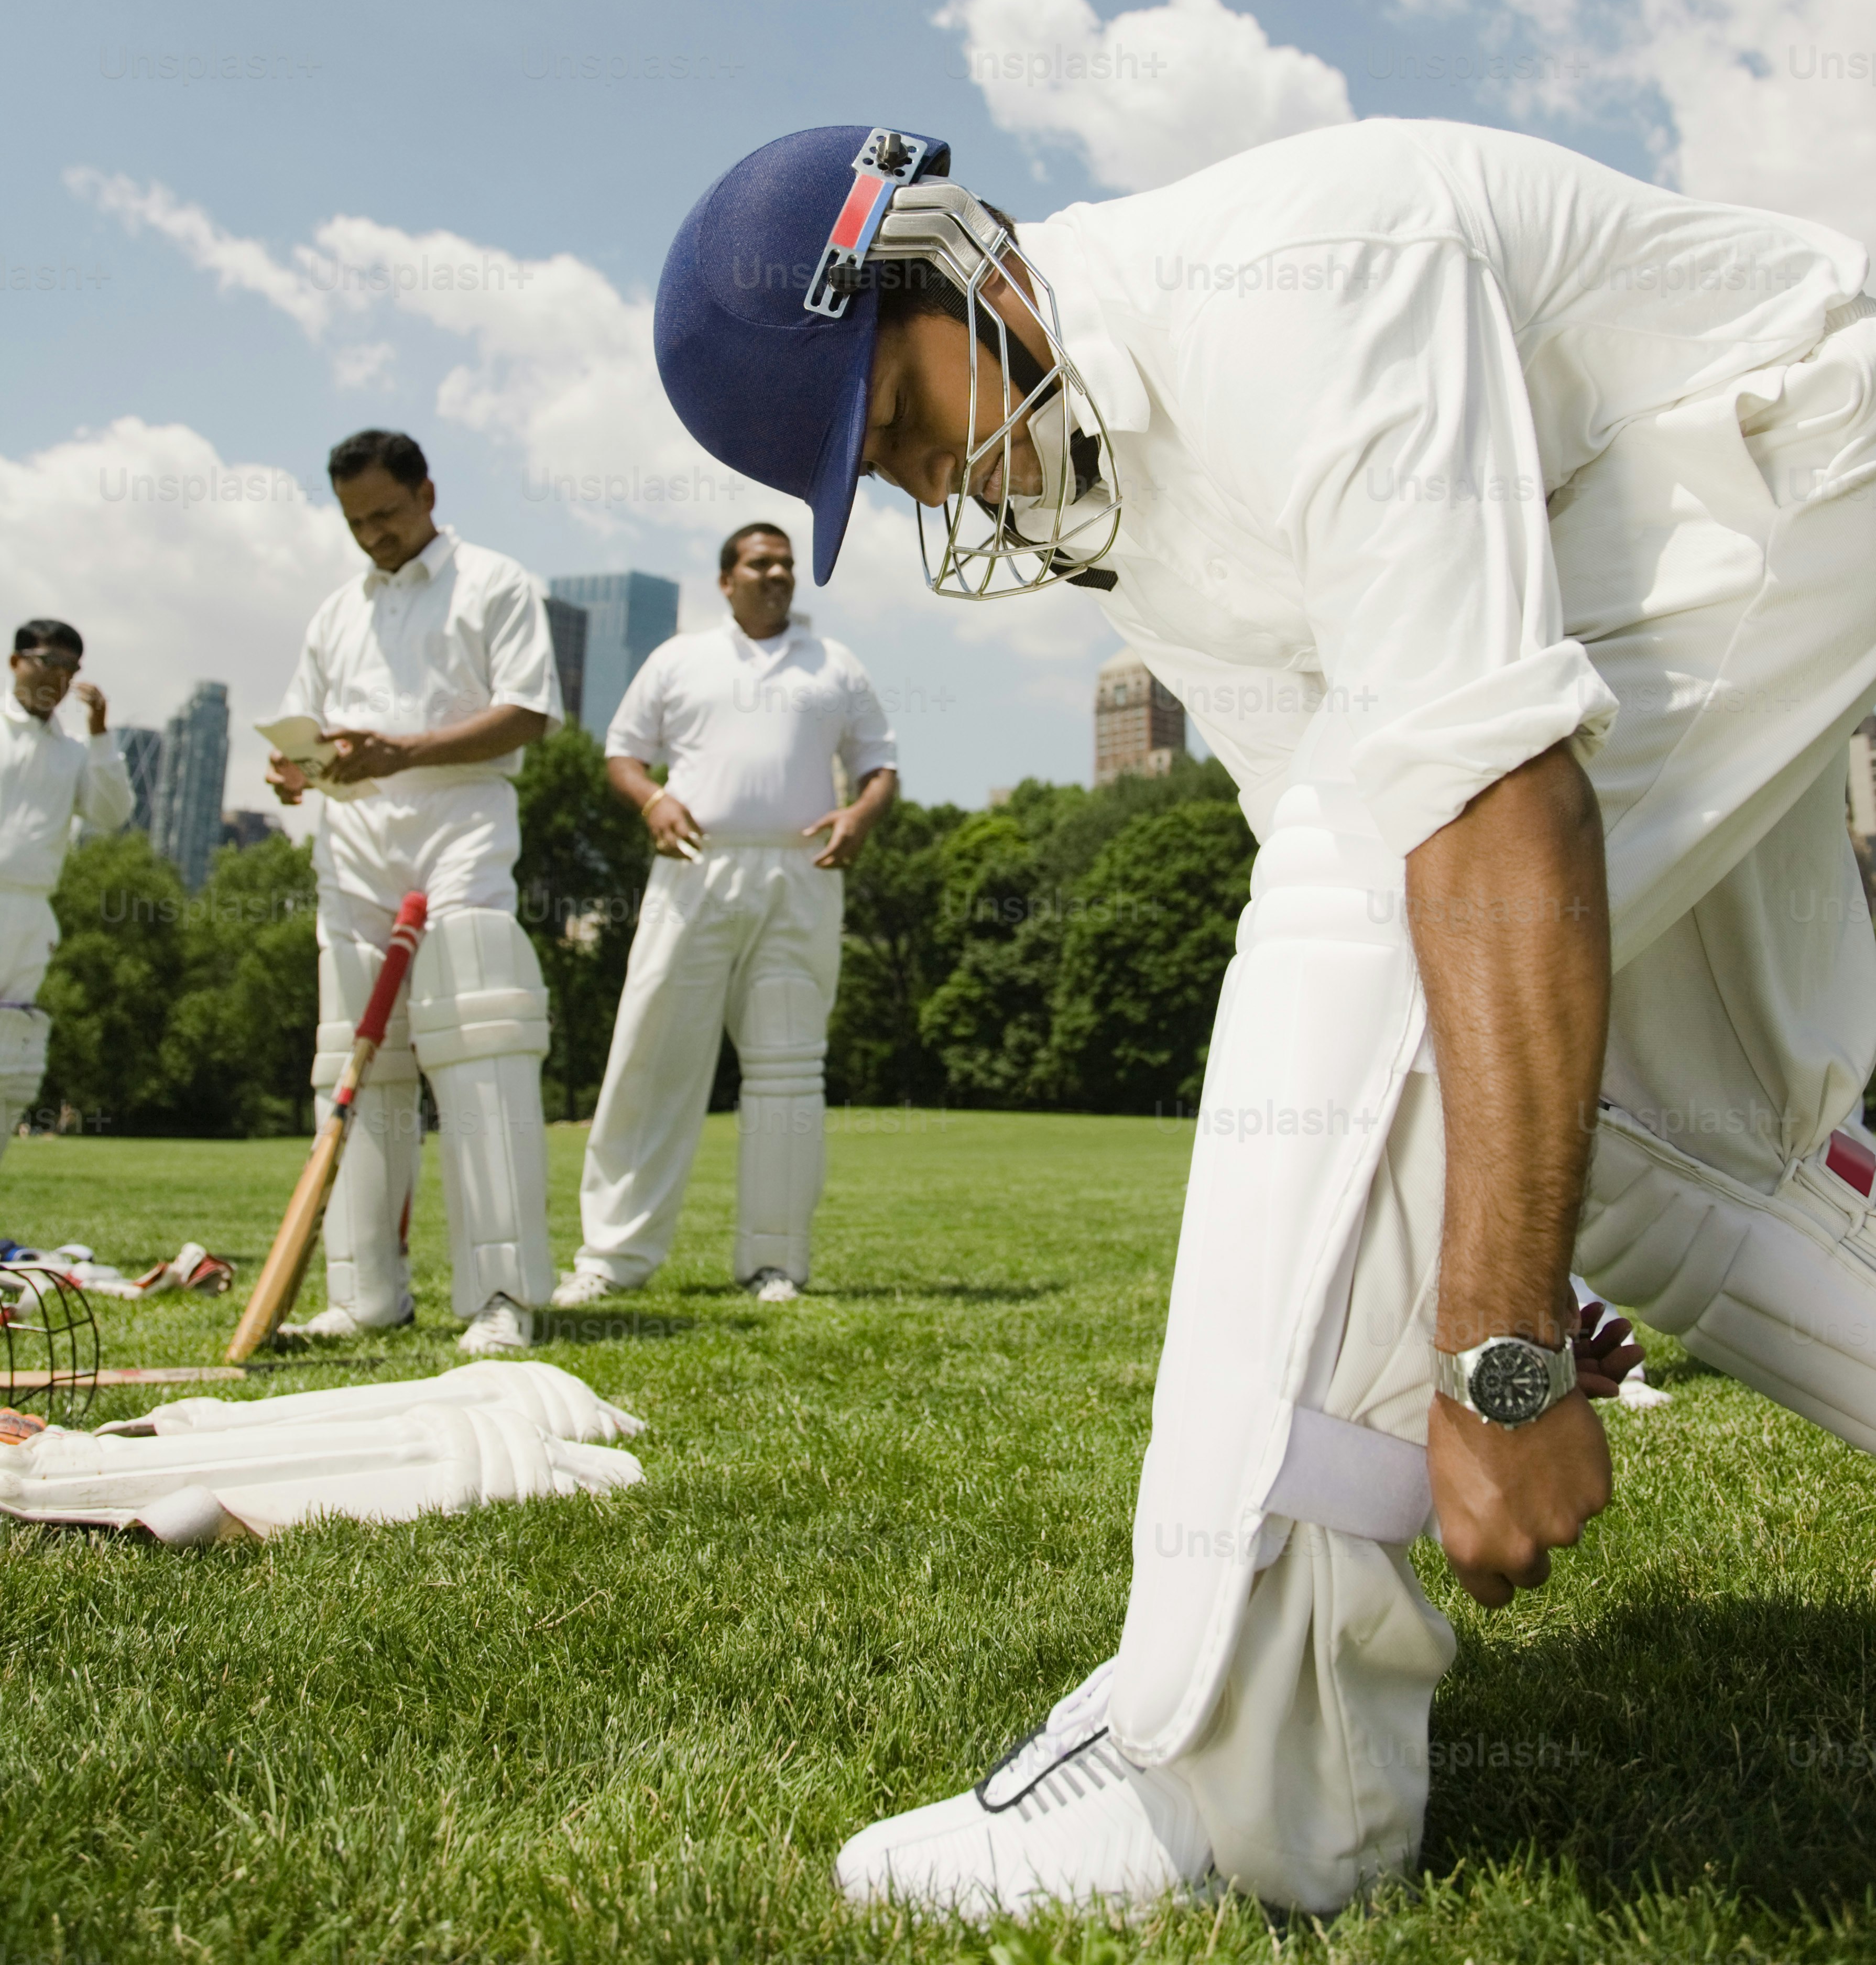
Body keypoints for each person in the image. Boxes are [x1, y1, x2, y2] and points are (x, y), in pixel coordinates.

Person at [650, 119, 1876, 1916]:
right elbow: (1411, 940)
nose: (944, 492)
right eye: (888, 484)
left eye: (907, 425)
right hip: (1691, 522)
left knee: (1378, 914)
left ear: (949, 255)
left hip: (1782, 446)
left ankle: (1232, 1780)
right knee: (1653, 1158)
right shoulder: (1128, 511)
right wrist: (1515, 1246)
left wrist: (1497, 1355)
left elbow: (1467, 832)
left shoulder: (1301, 284)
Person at [268, 432, 564, 1356]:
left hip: (460, 819)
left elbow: (529, 714)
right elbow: (303, 728)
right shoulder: (337, 611)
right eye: (358, 523)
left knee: (480, 1042)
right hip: (353, 833)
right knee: (352, 1062)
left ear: (427, 492)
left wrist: (408, 752)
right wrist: (293, 767)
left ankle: (505, 1293)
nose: (374, 538)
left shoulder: (496, 582)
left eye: (388, 517)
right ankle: (363, 1293)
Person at [553, 521, 896, 1307]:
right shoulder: (679, 658)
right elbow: (622, 753)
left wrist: (860, 817)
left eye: (786, 563)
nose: (777, 573)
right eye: (759, 562)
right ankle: (612, 1257)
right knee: (651, 1057)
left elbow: (880, 763)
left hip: (802, 871)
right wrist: (653, 799)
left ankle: (775, 1261)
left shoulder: (834, 664)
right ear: (726, 578)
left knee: (786, 1066)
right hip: (693, 865)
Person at [0, 620, 134, 1163]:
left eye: (69, 668)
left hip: (31, 911)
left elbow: (111, 811)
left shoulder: (74, 752)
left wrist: (101, 734)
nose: (57, 677)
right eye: (46, 661)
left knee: (12, 1061)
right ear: (15, 662)